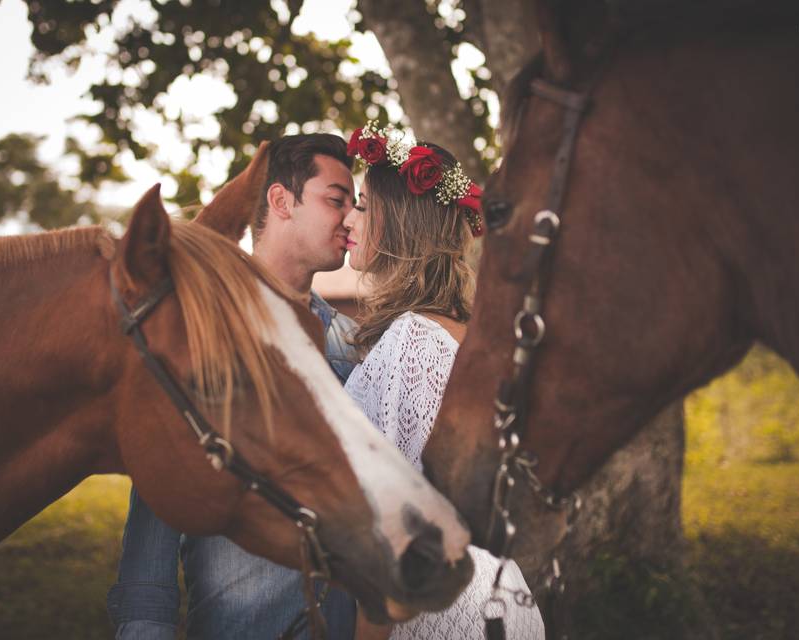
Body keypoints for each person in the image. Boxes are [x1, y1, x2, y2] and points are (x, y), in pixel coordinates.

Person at [106, 133, 360, 640]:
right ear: (280, 200)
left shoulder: (353, 345)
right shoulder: (199, 333)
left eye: (354, 205)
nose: (351, 218)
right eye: (336, 200)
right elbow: (150, 544)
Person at [341, 122, 545, 639]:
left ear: (400, 223)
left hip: (446, 615)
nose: (349, 219)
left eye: (364, 206)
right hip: (492, 600)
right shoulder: (461, 334)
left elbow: (403, 530)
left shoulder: (416, 340)